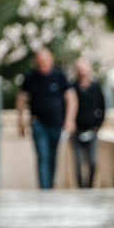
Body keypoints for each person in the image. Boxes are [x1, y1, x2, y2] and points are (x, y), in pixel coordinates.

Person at [17, 48, 76, 190]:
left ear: (50, 60)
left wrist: (70, 120)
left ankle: (50, 186)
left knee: (52, 157)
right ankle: (44, 190)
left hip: (56, 123)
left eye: (45, 61)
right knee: (43, 156)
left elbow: (71, 98)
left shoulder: (59, 76)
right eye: (40, 61)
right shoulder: (29, 78)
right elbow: (21, 99)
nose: (42, 64)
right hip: (38, 123)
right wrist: (20, 121)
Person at [67, 57, 105, 189]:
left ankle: (90, 186)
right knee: (78, 162)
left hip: (92, 129)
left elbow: (102, 107)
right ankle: (80, 187)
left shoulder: (96, 87)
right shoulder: (72, 87)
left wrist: (98, 125)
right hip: (76, 129)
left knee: (92, 161)